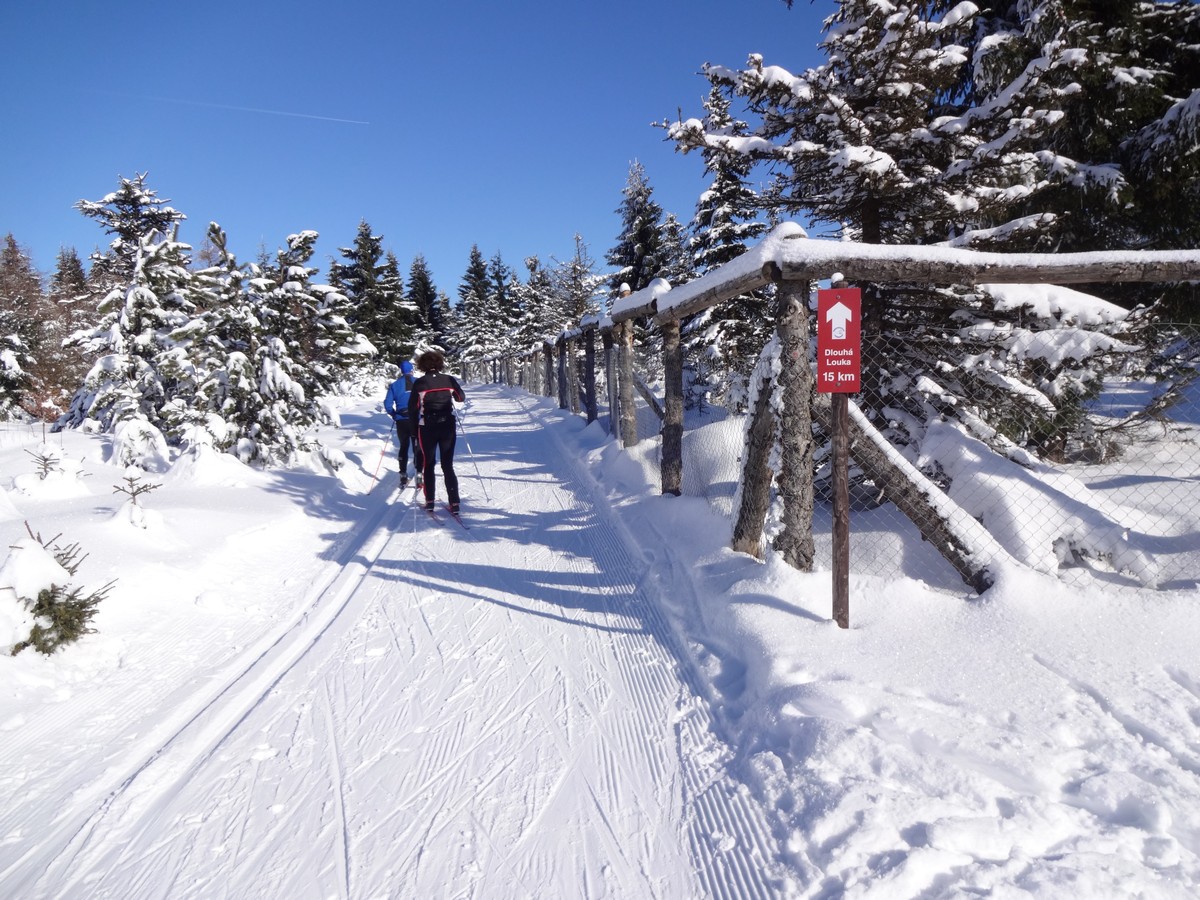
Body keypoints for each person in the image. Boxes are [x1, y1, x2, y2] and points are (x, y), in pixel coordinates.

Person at [407, 350, 466, 512]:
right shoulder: (448, 379)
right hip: (447, 425)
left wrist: (413, 432)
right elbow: (461, 398)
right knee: (448, 465)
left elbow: (413, 409)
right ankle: (454, 502)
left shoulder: (419, 383)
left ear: (422, 365)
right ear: (440, 364)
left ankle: (430, 501)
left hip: (427, 427)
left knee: (429, 463)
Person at [384, 360, 422, 488]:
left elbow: (387, 404)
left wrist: (394, 415)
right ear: (411, 370)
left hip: (401, 419)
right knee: (417, 445)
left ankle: (403, 474)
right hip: (415, 418)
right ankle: (419, 473)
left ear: (401, 371)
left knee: (403, 446)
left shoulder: (394, 385)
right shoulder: (418, 382)